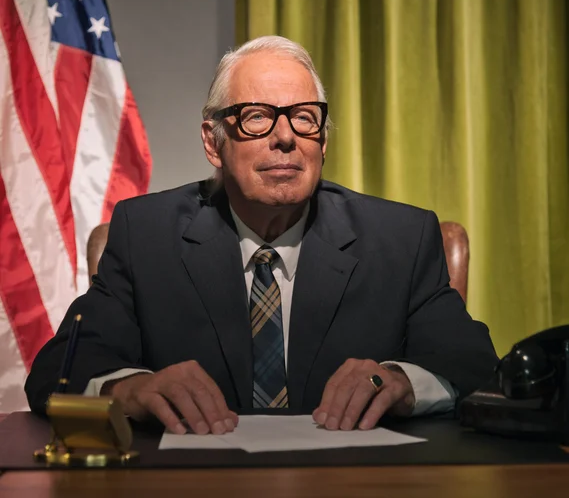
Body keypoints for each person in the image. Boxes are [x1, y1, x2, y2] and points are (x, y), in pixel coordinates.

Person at [25, 36, 497, 436]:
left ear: (324, 142)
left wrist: (400, 381)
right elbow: (57, 371)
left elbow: (474, 364)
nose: (286, 137)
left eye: (304, 117)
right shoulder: (144, 235)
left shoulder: (401, 239)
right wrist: (128, 390)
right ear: (213, 141)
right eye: (256, 116)